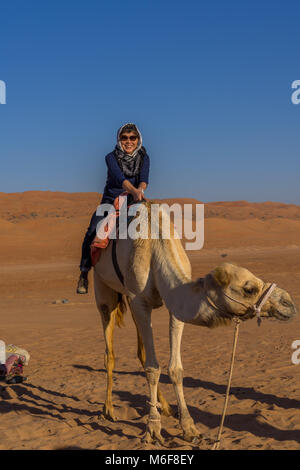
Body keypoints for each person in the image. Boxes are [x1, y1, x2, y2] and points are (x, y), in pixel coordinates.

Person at [77, 123, 150, 294]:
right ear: (119, 140)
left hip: (135, 199)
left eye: (133, 138)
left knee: (156, 226)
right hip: (111, 200)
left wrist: (140, 190)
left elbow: (144, 177)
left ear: (138, 139)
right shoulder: (111, 157)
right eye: (124, 138)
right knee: (92, 230)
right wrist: (133, 191)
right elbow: (119, 179)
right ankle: (83, 272)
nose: (129, 141)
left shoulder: (144, 157)